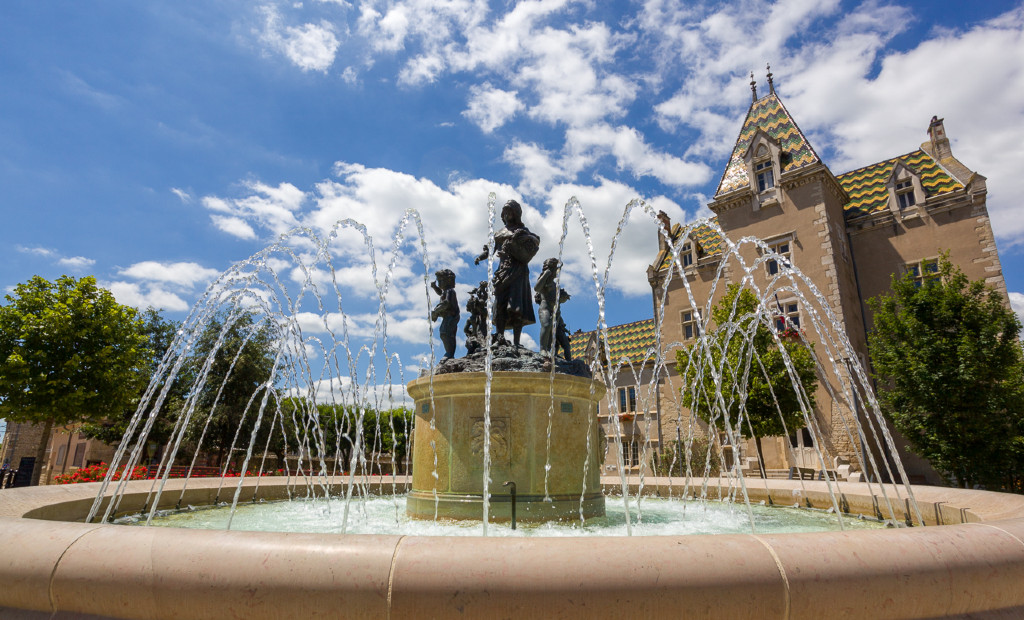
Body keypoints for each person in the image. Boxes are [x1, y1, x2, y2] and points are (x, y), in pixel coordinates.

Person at [474, 200, 539, 350]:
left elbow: (535, 242)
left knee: (516, 308)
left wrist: (528, 240)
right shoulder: (500, 233)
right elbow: (491, 250)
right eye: (505, 212)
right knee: (500, 306)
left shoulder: (523, 230)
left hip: (518, 271)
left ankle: (516, 342)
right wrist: (481, 256)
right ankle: (500, 337)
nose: (507, 214)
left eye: (510, 211)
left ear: (516, 213)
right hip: (502, 272)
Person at [430, 269, 459, 359]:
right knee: (444, 333)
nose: (439, 283)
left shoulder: (450, 291)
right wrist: (434, 287)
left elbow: (446, 303)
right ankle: (449, 353)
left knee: (446, 333)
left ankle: (449, 353)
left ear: (448, 281)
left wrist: (436, 311)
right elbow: (440, 293)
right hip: (448, 316)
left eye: (440, 281)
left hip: (452, 316)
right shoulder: (446, 291)